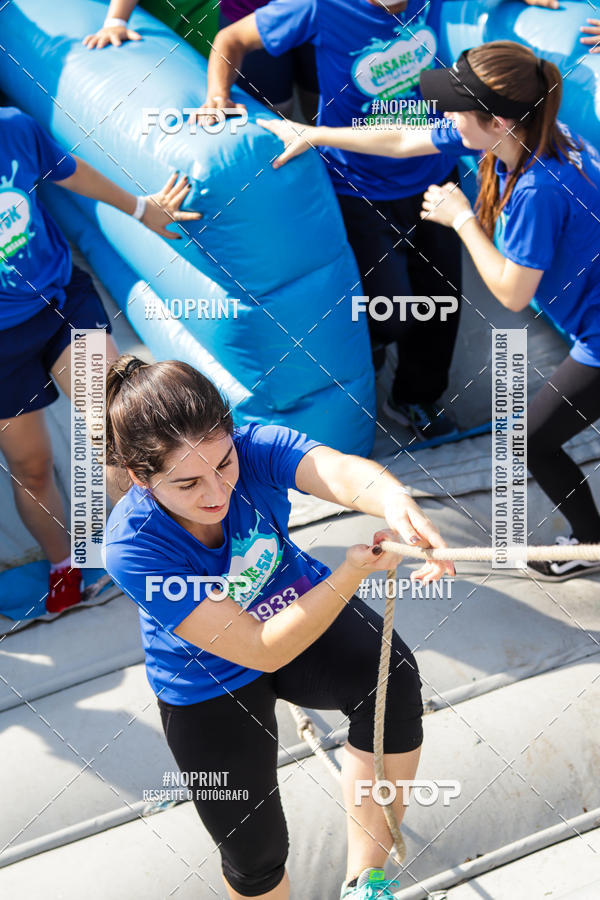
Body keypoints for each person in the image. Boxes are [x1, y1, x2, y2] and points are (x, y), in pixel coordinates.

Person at [103, 354, 455, 900]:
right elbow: (259, 649)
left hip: (300, 610)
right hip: (208, 680)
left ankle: (367, 882)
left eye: (223, 465)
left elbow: (338, 471)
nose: (216, 492)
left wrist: (394, 500)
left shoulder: (255, 447)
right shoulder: (132, 546)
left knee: (391, 678)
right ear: (140, 478)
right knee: (255, 859)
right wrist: (351, 571)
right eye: (188, 483)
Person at [259, 40, 600, 581]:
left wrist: (461, 218)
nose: (442, 114)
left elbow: (512, 293)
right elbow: (400, 137)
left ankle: (589, 542)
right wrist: (315, 133)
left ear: (496, 120)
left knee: (531, 441)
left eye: (455, 106)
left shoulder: (539, 189)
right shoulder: (535, 135)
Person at [198, 0, 562, 442]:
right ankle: (364, 357)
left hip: (432, 165)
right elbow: (230, 38)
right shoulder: (318, 8)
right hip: (358, 185)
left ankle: (415, 397)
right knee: (389, 311)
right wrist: (218, 95)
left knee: (441, 302)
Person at [0, 106, 201, 615]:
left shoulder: (13, 129)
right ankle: (65, 565)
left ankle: (165, 550)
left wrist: (142, 209)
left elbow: (69, 171)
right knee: (31, 466)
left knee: (112, 429)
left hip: (60, 302)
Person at [84, 0, 319, 121]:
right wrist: (116, 21)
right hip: (251, 15)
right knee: (276, 110)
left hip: (323, 14)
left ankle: (333, 164)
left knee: (320, 102)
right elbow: (230, 39)